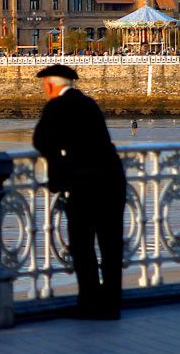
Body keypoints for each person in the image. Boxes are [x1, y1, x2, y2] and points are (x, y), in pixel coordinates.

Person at [32, 64, 125, 320]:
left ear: (51, 86)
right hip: (113, 178)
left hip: (85, 182)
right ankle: (111, 305)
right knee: (110, 245)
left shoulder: (56, 107)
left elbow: (41, 141)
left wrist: (58, 168)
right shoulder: (89, 103)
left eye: (44, 87)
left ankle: (90, 304)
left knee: (82, 245)